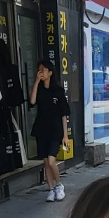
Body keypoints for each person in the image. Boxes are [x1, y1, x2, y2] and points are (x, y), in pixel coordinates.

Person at [29, 60, 70, 202]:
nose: (41, 72)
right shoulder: (39, 90)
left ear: (50, 73)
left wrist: (65, 136)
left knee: (52, 161)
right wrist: (35, 81)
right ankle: (51, 189)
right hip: (41, 129)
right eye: (39, 70)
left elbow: (64, 114)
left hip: (55, 130)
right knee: (46, 162)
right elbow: (32, 101)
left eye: (44, 70)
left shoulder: (58, 91)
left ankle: (59, 185)